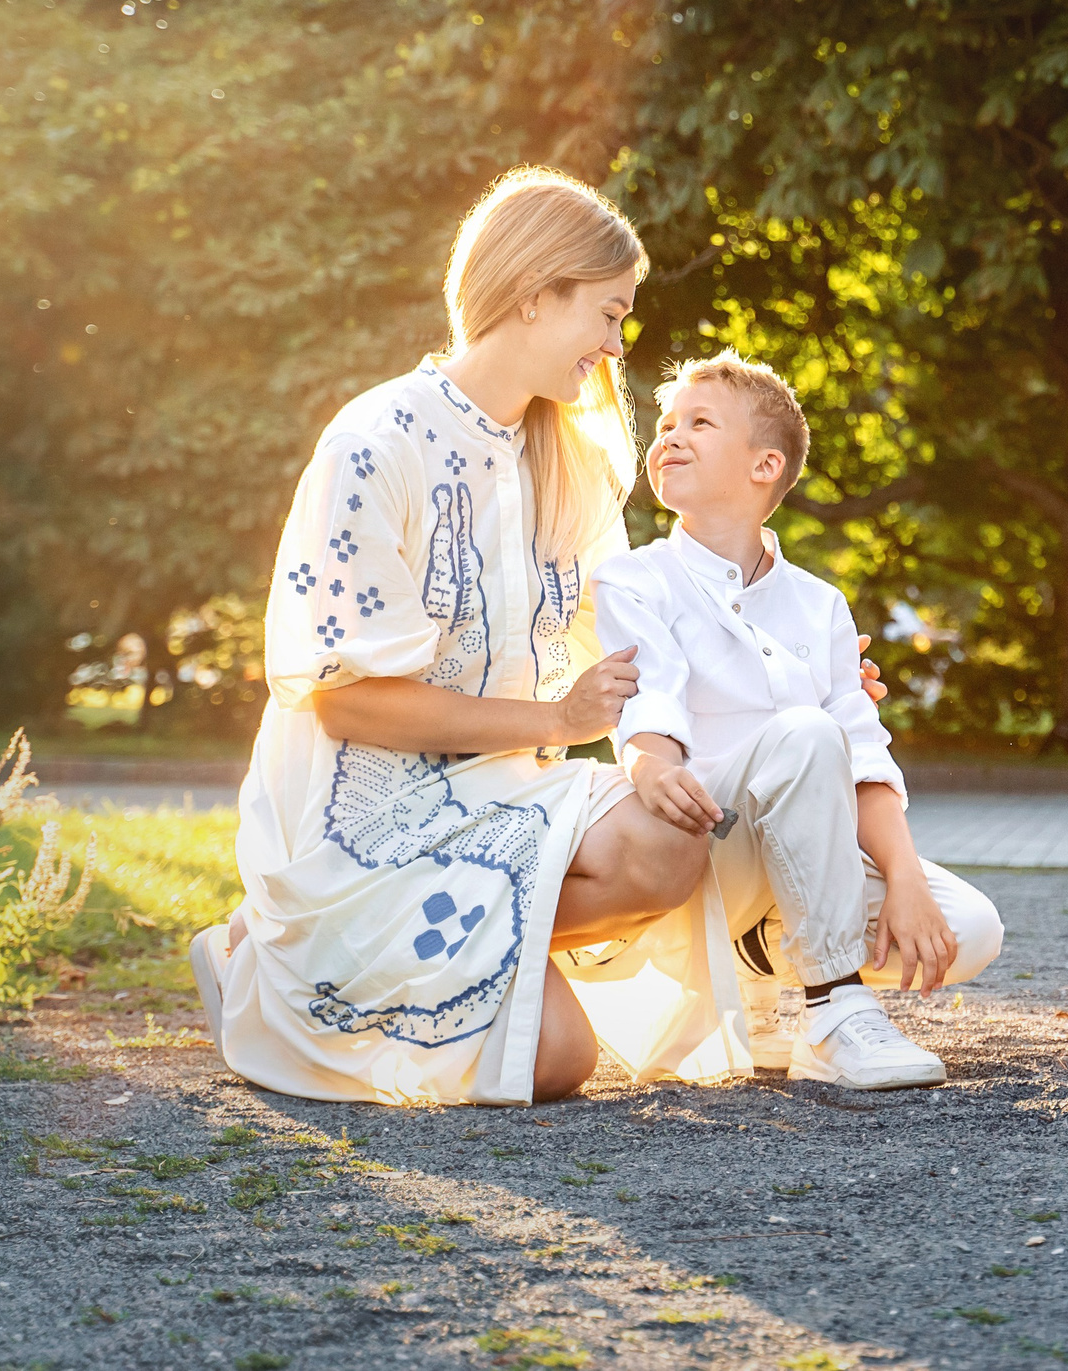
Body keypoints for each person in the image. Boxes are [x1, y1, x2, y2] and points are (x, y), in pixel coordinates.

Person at [194, 167, 717, 1105]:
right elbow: (345, 699)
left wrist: (796, 668)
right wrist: (551, 716)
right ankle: (268, 961)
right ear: (533, 296)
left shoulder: (577, 464)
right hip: (364, 818)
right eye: (606, 314)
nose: (615, 344)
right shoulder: (374, 444)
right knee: (557, 1059)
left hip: (503, 794)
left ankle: (401, 963)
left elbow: (645, 635)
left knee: (669, 844)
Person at [571, 350, 1003, 1090]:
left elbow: (864, 754)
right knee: (805, 733)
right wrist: (648, 763)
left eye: (699, 423)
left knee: (967, 926)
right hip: (698, 845)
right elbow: (651, 706)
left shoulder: (820, 604)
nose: (668, 435)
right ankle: (834, 1010)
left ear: (765, 464)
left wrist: (902, 876)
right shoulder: (636, 577)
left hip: (797, 863)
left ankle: (772, 983)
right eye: (666, 423)